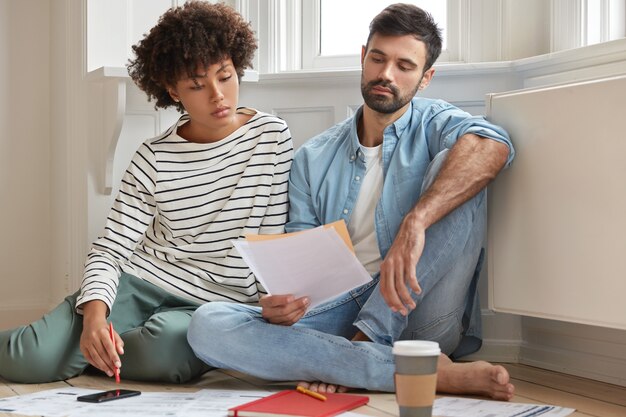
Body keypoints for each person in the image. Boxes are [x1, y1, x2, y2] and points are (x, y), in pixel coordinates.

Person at [187, 3, 516, 400]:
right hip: (338, 315)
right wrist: (284, 304)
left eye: (404, 66)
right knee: (207, 324)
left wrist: (415, 223)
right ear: (363, 58)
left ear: (426, 77)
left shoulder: (436, 124)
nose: (385, 75)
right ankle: (406, 369)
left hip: (420, 313)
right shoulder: (313, 157)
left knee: (458, 168)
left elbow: (492, 145)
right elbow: (303, 273)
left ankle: (361, 346)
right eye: (377, 59)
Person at [0, 1, 292, 384]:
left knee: (166, 356)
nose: (218, 95)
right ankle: (81, 346)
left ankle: (89, 356)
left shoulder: (272, 137)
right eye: (197, 85)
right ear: (172, 90)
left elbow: (270, 240)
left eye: (225, 76)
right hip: (138, 283)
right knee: (30, 360)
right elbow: (111, 248)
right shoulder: (153, 156)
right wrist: (94, 317)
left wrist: (273, 302)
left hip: (212, 305)